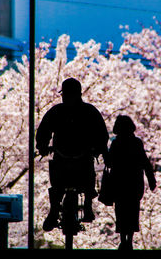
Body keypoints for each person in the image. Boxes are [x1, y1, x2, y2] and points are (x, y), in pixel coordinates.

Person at [36, 78, 109, 232]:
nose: (66, 97)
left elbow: (101, 134)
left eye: (68, 94)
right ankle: (59, 210)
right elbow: (44, 131)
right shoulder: (88, 111)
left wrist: (42, 146)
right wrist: (42, 145)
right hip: (74, 156)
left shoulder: (58, 111)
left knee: (61, 185)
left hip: (72, 157)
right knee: (63, 184)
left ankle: (64, 210)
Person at [107, 115, 156, 250]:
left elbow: (109, 162)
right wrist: (151, 179)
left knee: (121, 211)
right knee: (133, 211)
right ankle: (129, 240)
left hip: (119, 182)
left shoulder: (116, 143)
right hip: (134, 182)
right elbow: (145, 162)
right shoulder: (137, 143)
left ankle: (123, 240)